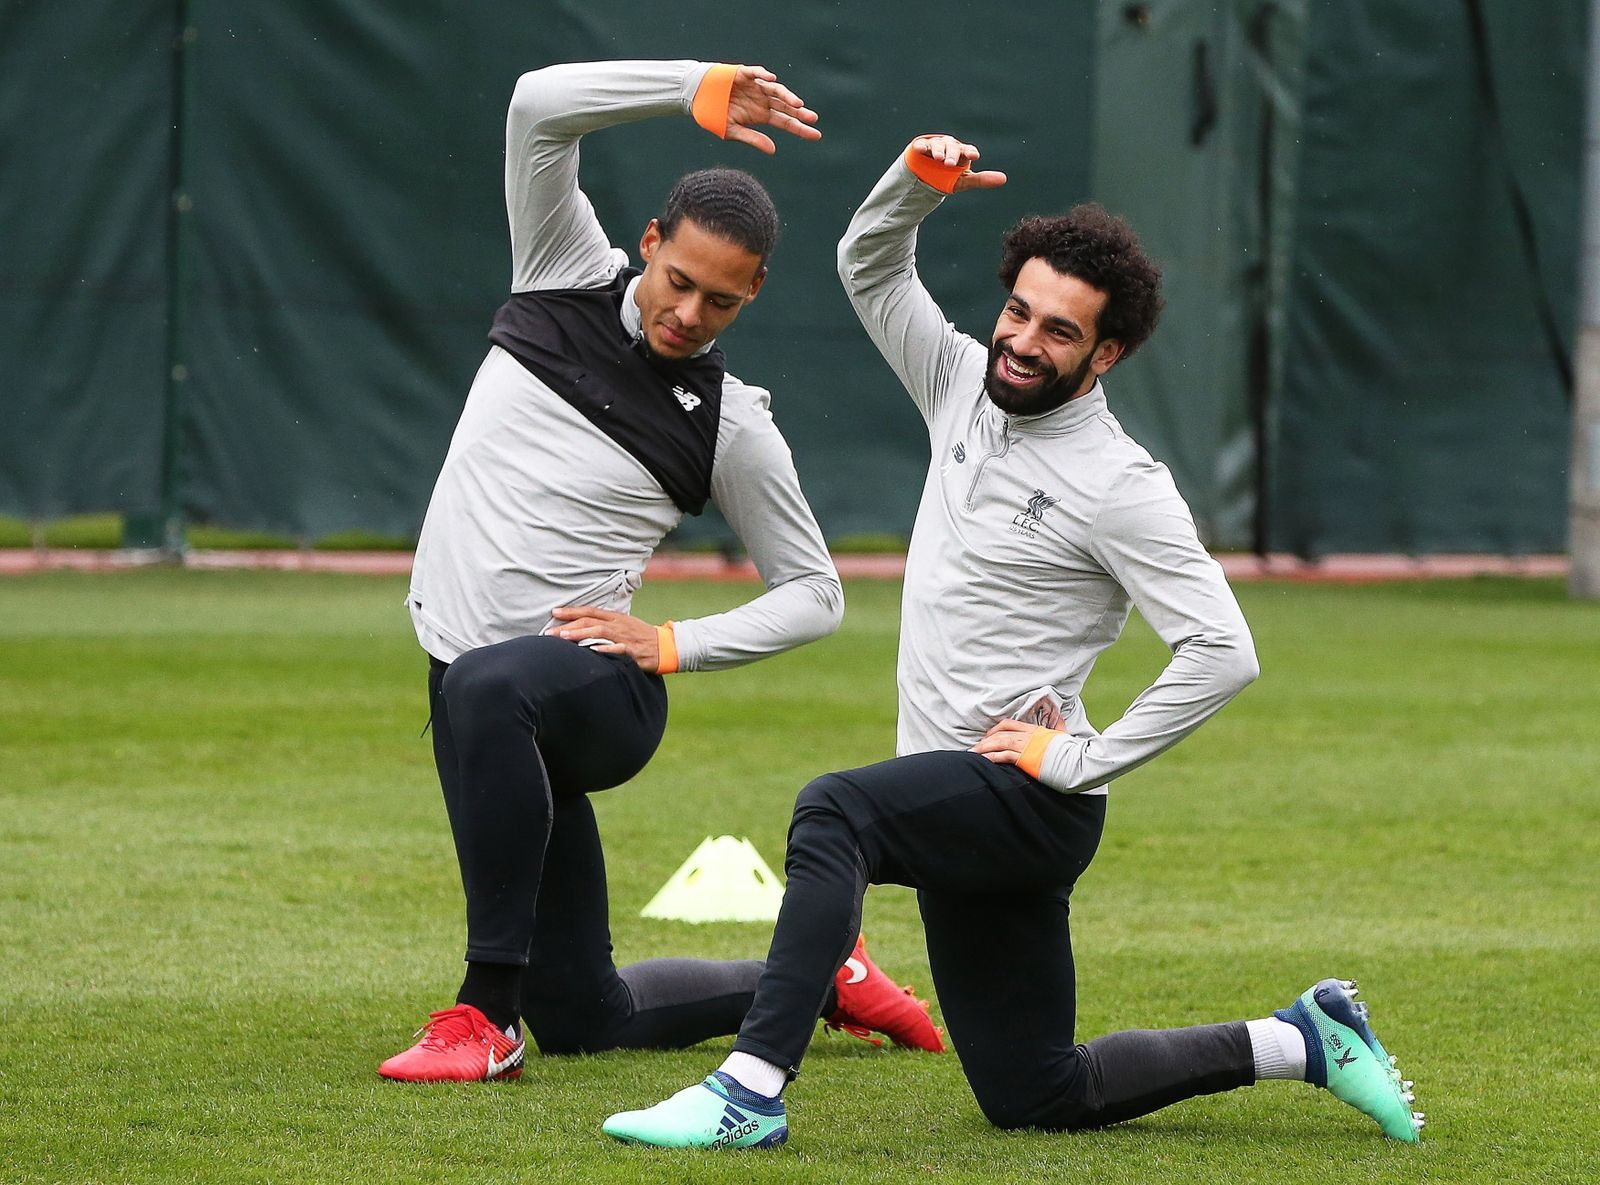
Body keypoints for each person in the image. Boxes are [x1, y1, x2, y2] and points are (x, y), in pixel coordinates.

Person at [602, 134, 1424, 1148]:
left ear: (1105, 354)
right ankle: (1301, 1039)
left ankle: (746, 1093)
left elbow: (1223, 650)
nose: (1024, 341)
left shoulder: (1123, 485)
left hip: (1027, 797)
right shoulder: (959, 381)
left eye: (1059, 332)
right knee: (1034, 1093)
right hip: (964, 797)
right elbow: (868, 263)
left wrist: (1079, 757)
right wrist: (916, 184)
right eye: (1019, 312)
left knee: (832, 815)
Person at [380, 62, 944, 1084]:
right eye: (679, 282)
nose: (689, 313)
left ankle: (483, 1016)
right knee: (588, 1015)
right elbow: (535, 108)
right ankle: (822, 976)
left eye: (721, 302)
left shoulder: (732, 422)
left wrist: (673, 644)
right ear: (648, 242)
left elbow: (817, 594)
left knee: (487, 683)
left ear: (754, 293)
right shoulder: (557, 269)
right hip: (480, 696)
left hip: (596, 692)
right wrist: (692, 86)